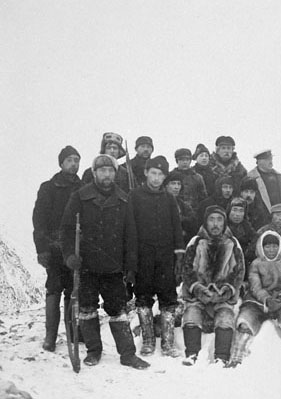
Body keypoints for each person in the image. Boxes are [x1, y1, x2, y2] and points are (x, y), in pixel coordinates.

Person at [59, 154, 149, 369]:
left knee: (118, 311)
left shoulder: (123, 199)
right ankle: (93, 351)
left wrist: (131, 265)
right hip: (87, 266)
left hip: (113, 267)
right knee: (88, 309)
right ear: (95, 173)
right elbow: (67, 230)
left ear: (115, 173)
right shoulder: (80, 197)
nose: (106, 174)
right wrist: (70, 255)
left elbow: (131, 235)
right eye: (102, 170)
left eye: (110, 170)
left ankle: (128, 354)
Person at [128, 156, 185, 357]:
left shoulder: (168, 198)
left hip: (165, 256)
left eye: (161, 174)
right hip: (143, 256)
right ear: (145, 173)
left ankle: (168, 343)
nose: (156, 178)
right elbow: (130, 228)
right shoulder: (134, 196)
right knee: (143, 298)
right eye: (153, 173)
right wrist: (132, 259)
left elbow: (177, 227)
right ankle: (148, 340)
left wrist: (179, 254)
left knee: (168, 298)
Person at [229, 231, 281, 367]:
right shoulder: (256, 264)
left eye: (274, 246)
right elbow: (255, 286)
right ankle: (236, 356)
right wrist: (266, 299)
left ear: (280, 247)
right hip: (257, 301)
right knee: (245, 322)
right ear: (261, 248)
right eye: (268, 247)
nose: (271, 250)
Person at [180, 205, 245, 366]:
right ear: (206, 221)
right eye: (211, 219)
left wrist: (227, 290)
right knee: (191, 315)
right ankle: (191, 354)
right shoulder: (195, 242)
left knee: (225, 318)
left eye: (219, 220)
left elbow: (239, 271)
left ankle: (221, 357)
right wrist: (197, 288)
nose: (215, 224)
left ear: (224, 222)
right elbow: (186, 269)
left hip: (223, 294)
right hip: (198, 293)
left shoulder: (232, 243)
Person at [33, 145, 83, 352]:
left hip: (75, 246)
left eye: (77, 160)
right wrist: (41, 248)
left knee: (73, 290)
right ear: (61, 163)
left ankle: (73, 333)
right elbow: (39, 220)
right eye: (69, 160)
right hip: (54, 247)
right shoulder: (48, 187)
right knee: (54, 288)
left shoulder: (83, 188)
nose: (74, 164)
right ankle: (50, 336)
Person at [247, 204, 281, 272]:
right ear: (272, 217)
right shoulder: (262, 232)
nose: (280, 218)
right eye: (277, 215)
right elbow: (253, 252)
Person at [246, 149, 281, 221]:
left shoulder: (277, 176)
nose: (270, 162)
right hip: (260, 218)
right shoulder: (251, 177)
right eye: (267, 159)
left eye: (271, 159)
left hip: (278, 216)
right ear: (259, 161)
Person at [164, 170, 198, 245]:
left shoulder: (184, 206)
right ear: (166, 186)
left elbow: (193, 223)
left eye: (179, 184)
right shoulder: (160, 202)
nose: (176, 187)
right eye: (173, 183)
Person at [172, 148, 208, 215]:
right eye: (182, 159)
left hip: (194, 214)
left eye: (187, 159)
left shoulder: (197, 178)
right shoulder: (171, 177)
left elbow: (203, 198)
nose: (185, 162)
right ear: (177, 161)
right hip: (175, 212)